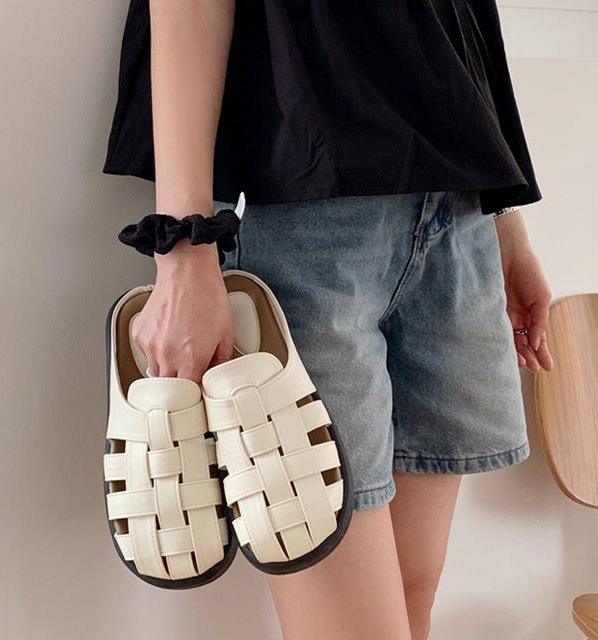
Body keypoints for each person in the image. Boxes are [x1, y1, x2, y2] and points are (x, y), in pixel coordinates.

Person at [102, 1, 554, 638]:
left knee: (413, 600)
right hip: (309, 214)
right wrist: (183, 248)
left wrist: (509, 226)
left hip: (458, 217)